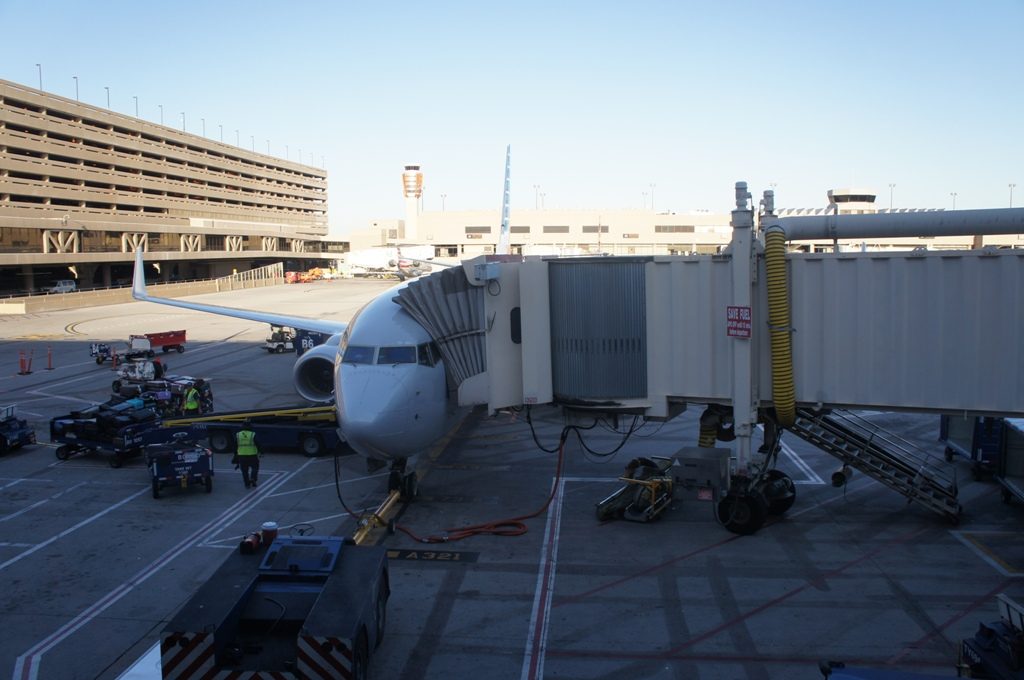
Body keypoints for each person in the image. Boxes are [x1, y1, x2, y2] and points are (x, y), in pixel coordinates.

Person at [235, 420, 261, 489]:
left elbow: (235, 445)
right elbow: (258, 443)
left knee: (244, 470)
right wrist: (261, 452)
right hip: (252, 454)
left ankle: (247, 484)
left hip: (241, 455)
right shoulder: (253, 434)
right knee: (255, 467)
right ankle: (253, 478)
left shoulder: (238, 434)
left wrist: (235, 455)